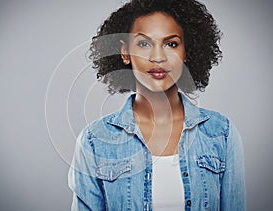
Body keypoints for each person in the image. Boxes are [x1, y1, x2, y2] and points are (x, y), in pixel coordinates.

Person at [68, 0, 246, 210]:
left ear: (186, 51)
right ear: (125, 53)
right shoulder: (93, 141)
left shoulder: (222, 134)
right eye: (144, 44)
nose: (158, 57)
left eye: (171, 44)